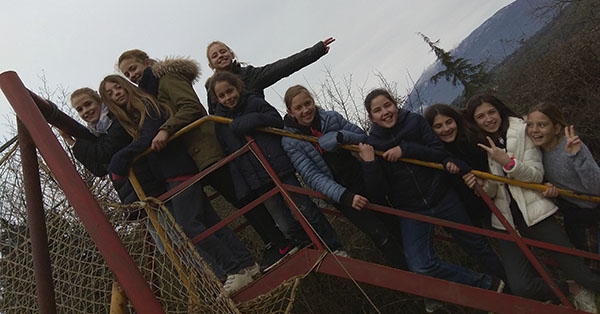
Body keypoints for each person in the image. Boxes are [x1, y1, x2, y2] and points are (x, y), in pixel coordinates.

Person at [117, 49, 295, 271]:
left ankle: (279, 242)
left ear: (147, 62)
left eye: (133, 68)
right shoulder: (151, 91)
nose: (132, 75)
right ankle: (273, 243)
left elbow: (190, 107)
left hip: (205, 147)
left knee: (242, 198)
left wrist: (165, 129)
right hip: (194, 154)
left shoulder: (167, 79)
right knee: (236, 199)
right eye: (127, 74)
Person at [99, 75, 257, 295]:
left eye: (118, 86)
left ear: (126, 86)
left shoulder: (147, 105)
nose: (116, 92)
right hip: (170, 174)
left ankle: (235, 270)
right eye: (110, 93)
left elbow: (149, 138)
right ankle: (246, 264)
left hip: (178, 171)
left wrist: (120, 161)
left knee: (189, 227)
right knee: (209, 222)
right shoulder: (132, 116)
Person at [358, 89, 506, 298]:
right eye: (377, 110)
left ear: (395, 104)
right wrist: (370, 164)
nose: (385, 112)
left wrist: (405, 149)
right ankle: (487, 284)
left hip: (442, 196)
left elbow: (439, 153)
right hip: (413, 209)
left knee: (478, 246)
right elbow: (378, 193)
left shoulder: (415, 122)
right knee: (421, 266)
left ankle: (513, 291)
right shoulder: (373, 144)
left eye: (387, 105)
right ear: (371, 117)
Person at [463, 94, 599, 312]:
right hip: (506, 220)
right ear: (474, 121)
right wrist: (481, 184)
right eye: (481, 116)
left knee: (579, 270)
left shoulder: (520, 131)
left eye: (491, 112)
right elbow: (494, 189)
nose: (488, 119)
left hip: (535, 211)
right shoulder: (477, 144)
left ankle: (584, 287)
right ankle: (572, 289)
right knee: (521, 286)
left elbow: (536, 175)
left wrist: (507, 162)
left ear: (499, 111)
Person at [208, 72, 347, 256]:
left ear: (238, 87)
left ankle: (334, 247)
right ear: (216, 99)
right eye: (222, 95)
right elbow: (229, 151)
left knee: (305, 208)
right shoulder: (218, 122)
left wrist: (249, 121)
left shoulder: (254, 102)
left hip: (277, 165)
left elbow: (276, 120)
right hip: (256, 177)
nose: (228, 97)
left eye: (230, 91)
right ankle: (307, 245)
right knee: (282, 220)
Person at [281, 85, 407, 268]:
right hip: (341, 194)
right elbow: (312, 176)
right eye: (298, 108)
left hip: (362, 178)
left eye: (308, 103)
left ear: (313, 101)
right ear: (290, 112)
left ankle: (424, 265)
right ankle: (411, 274)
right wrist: (345, 197)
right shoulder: (290, 140)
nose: (306, 110)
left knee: (395, 223)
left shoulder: (330, 117)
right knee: (379, 234)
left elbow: (361, 137)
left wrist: (340, 136)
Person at [526, 102, 600, 272]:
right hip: (578, 217)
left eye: (542, 125)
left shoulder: (570, 146)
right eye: (530, 125)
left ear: (557, 128)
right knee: (592, 265)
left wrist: (577, 156)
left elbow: (596, 187)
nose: (534, 130)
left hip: (594, 208)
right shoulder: (536, 155)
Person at [204, 37, 335, 114]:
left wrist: (316, 51)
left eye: (223, 51)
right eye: (214, 56)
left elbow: (283, 67)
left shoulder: (250, 75)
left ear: (231, 54)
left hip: (263, 129)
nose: (220, 56)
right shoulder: (211, 90)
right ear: (211, 65)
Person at [423, 104, 491, 228]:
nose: (446, 129)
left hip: (493, 202)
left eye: (449, 122)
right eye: (438, 126)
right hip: (466, 215)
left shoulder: (475, 140)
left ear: (456, 120)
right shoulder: (433, 156)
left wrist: (484, 181)